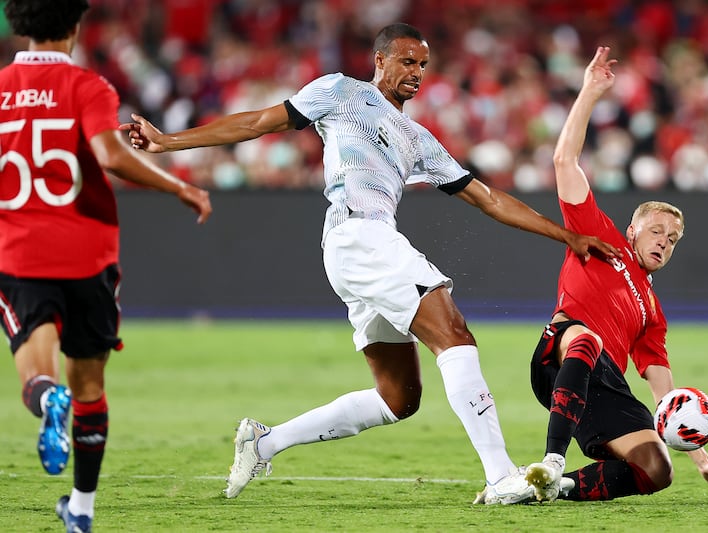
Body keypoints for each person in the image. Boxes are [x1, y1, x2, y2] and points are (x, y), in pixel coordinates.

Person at [122, 23, 619, 505]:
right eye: (407, 60)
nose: (417, 72)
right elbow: (257, 122)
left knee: (399, 397)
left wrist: (567, 235)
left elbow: (488, 198)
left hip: (361, 246)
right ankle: (501, 476)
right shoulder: (340, 93)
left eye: (423, 64)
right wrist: (168, 142)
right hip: (359, 235)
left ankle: (264, 442)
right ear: (379, 60)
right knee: (455, 335)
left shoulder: (418, 137)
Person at [0, 1, 213, 532]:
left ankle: (49, 399)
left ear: (19, 25)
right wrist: (179, 185)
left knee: (39, 374)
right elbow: (112, 156)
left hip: (21, 254)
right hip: (88, 257)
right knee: (91, 387)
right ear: (75, 26)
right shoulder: (89, 87)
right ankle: (81, 508)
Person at [522, 46, 708, 503]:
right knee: (588, 339)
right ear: (632, 230)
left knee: (655, 469)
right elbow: (565, 161)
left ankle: (545, 490)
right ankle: (550, 460)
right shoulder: (602, 239)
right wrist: (589, 91)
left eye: (673, 238)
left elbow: (666, 394)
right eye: (658, 230)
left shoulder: (652, 311)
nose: (665, 240)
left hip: (606, 386)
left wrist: (703, 460)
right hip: (564, 354)